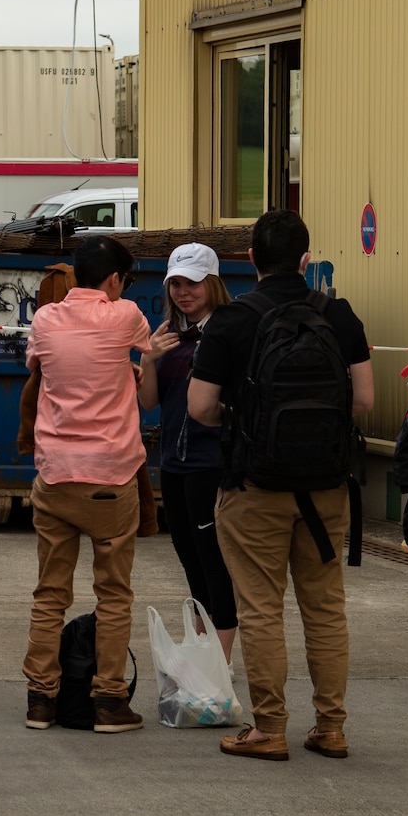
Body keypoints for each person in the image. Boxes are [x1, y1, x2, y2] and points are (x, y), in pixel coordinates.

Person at [187, 209, 374, 761]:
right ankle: (331, 727)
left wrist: (244, 424)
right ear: (306, 259)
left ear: (250, 259)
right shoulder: (339, 315)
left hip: (254, 487)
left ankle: (268, 728)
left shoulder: (232, 320)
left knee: (261, 608)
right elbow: (363, 402)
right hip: (326, 488)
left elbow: (199, 406)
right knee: (325, 607)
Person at [19, 234, 153, 734]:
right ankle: (109, 701)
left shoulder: (46, 319)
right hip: (110, 478)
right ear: (115, 279)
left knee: (50, 594)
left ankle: (40, 699)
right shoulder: (126, 315)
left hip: (54, 475)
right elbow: (148, 352)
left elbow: (37, 367)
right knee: (113, 594)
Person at [137, 243, 239, 662]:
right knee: (188, 557)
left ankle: (221, 660)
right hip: (174, 463)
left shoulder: (228, 331)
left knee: (213, 560)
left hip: (212, 460)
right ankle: (203, 645)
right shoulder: (169, 336)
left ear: (212, 284)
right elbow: (149, 403)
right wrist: (147, 360)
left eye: (193, 283)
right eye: (176, 283)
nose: (184, 292)